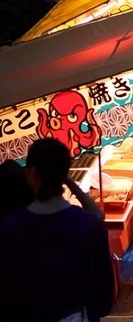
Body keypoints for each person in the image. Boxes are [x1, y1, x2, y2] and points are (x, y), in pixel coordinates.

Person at [0, 138, 114, 322]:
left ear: (32, 174)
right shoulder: (87, 224)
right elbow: (103, 297)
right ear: (65, 173)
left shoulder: (9, 227)